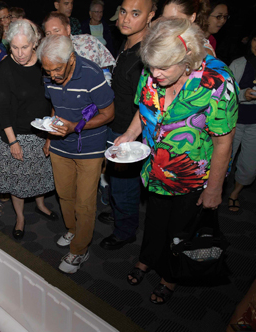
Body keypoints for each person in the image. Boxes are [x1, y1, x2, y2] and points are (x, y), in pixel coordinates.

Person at [118, 17, 238, 304]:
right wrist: (128, 135)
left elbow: (224, 142)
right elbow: (142, 108)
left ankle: (169, 277)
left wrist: (213, 189)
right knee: (155, 221)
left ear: (187, 59)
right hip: (155, 169)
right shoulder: (153, 70)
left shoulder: (217, 82)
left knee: (179, 232)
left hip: (193, 178)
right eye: (151, 67)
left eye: (162, 68)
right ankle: (146, 259)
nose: (154, 74)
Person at [38, 34, 115, 273]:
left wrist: (76, 127)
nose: (53, 75)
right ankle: (72, 230)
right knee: (64, 194)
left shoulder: (92, 74)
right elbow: (55, 104)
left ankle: (80, 250)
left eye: (57, 69)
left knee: (84, 203)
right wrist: (50, 133)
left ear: (71, 59)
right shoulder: (50, 72)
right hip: (61, 144)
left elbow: (108, 114)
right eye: (48, 70)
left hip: (90, 146)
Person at [98, 0, 156, 251]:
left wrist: (131, 134)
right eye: (123, 11)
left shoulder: (147, 55)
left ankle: (125, 232)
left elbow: (147, 104)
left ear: (150, 16)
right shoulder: (128, 42)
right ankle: (120, 216)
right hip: (116, 125)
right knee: (115, 182)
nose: (125, 19)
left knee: (125, 188)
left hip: (128, 132)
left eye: (135, 13)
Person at [0, 19, 57, 240]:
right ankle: (20, 217)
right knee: (18, 181)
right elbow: (2, 108)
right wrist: (12, 142)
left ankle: (40, 204)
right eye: (14, 47)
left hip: (41, 131)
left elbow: (54, 100)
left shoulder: (45, 63)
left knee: (40, 174)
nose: (19, 53)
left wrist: (50, 133)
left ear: (35, 44)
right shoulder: (5, 68)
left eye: (24, 47)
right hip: (16, 134)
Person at [227, 29, 256, 212]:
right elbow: (225, 94)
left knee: (250, 165)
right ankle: (214, 191)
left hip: (254, 125)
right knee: (224, 160)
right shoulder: (238, 64)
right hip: (233, 122)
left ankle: (235, 193)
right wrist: (243, 94)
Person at [43, 12, 115, 70]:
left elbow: (110, 64)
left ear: (68, 29)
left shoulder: (89, 42)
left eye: (57, 31)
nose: (53, 37)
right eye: (48, 34)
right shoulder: (46, 56)